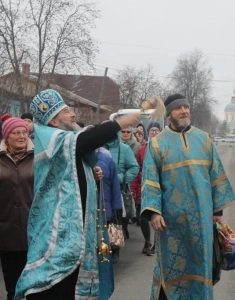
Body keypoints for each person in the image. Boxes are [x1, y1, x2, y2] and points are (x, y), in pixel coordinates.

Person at [14, 89, 141, 300]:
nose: (73, 114)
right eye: (65, 111)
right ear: (54, 122)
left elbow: (80, 154)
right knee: (52, 289)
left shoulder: (70, 144)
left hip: (77, 237)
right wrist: (118, 123)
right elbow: (84, 141)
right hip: (56, 238)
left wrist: (92, 175)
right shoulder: (51, 139)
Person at [140, 94, 235, 299]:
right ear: (169, 114)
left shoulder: (204, 139)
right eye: (178, 108)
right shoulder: (157, 144)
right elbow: (150, 181)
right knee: (170, 269)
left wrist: (217, 212)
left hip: (201, 221)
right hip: (171, 223)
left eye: (186, 107)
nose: (184, 111)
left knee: (200, 269)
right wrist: (153, 212)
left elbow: (215, 175)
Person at [0, 118, 33, 300]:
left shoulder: (38, 156)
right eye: (16, 132)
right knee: (12, 286)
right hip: (6, 230)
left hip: (34, 230)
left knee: (33, 285)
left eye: (24, 132)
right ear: (7, 135)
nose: (21, 136)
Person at [104, 128, 139, 262]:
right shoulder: (99, 148)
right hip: (100, 189)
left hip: (117, 190)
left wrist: (120, 178)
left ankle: (115, 249)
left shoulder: (124, 149)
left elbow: (135, 167)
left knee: (115, 219)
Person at [131, 121, 162, 255]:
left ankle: (157, 243)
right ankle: (147, 241)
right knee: (143, 217)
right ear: (148, 133)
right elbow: (136, 169)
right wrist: (134, 188)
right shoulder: (143, 149)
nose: (154, 133)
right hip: (144, 188)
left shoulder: (165, 147)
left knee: (158, 217)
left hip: (160, 188)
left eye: (156, 130)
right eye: (152, 131)